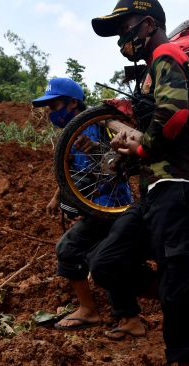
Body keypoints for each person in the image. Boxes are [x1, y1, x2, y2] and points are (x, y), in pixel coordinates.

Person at [89, 1, 189, 365]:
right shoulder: (152, 70)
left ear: (147, 24)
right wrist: (134, 147)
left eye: (123, 28)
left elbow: (174, 116)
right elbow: (162, 126)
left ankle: (186, 347)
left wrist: (141, 145)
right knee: (106, 262)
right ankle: (186, 289)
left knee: (180, 290)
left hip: (183, 190)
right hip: (157, 193)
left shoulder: (166, 55)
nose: (120, 40)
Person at [33, 77, 132, 330]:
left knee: (68, 249)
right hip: (96, 206)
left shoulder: (95, 125)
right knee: (106, 258)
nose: (50, 114)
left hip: (110, 205)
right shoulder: (72, 132)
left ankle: (89, 310)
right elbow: (68, 171)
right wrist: (57, 198)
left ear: (72, 103)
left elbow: (116, 162)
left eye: (53, 107)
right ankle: (128, 316)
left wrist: (95, 150)